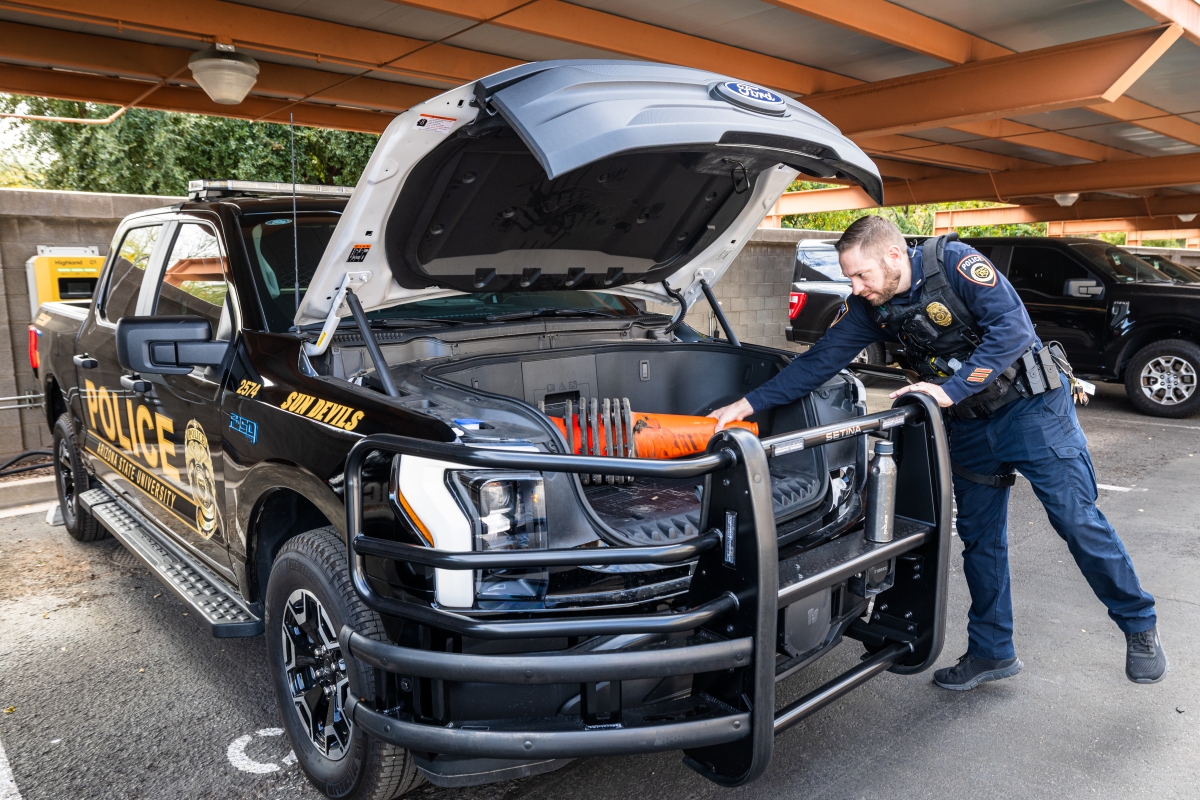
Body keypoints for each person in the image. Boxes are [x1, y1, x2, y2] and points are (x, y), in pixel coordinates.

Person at [709, 215, 1166, 689]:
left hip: (1032, 410)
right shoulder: (871, 306)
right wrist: (746, 404)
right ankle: (992, 651)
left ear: (892, 256)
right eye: (849, 278)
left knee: (1076, 518)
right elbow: (818, 362)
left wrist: (950, 389)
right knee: (980, 540)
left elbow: (1011, 330)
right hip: (969, 425)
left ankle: (1139, 625)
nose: (856, 286)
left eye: (861, 274)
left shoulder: (955, 264)